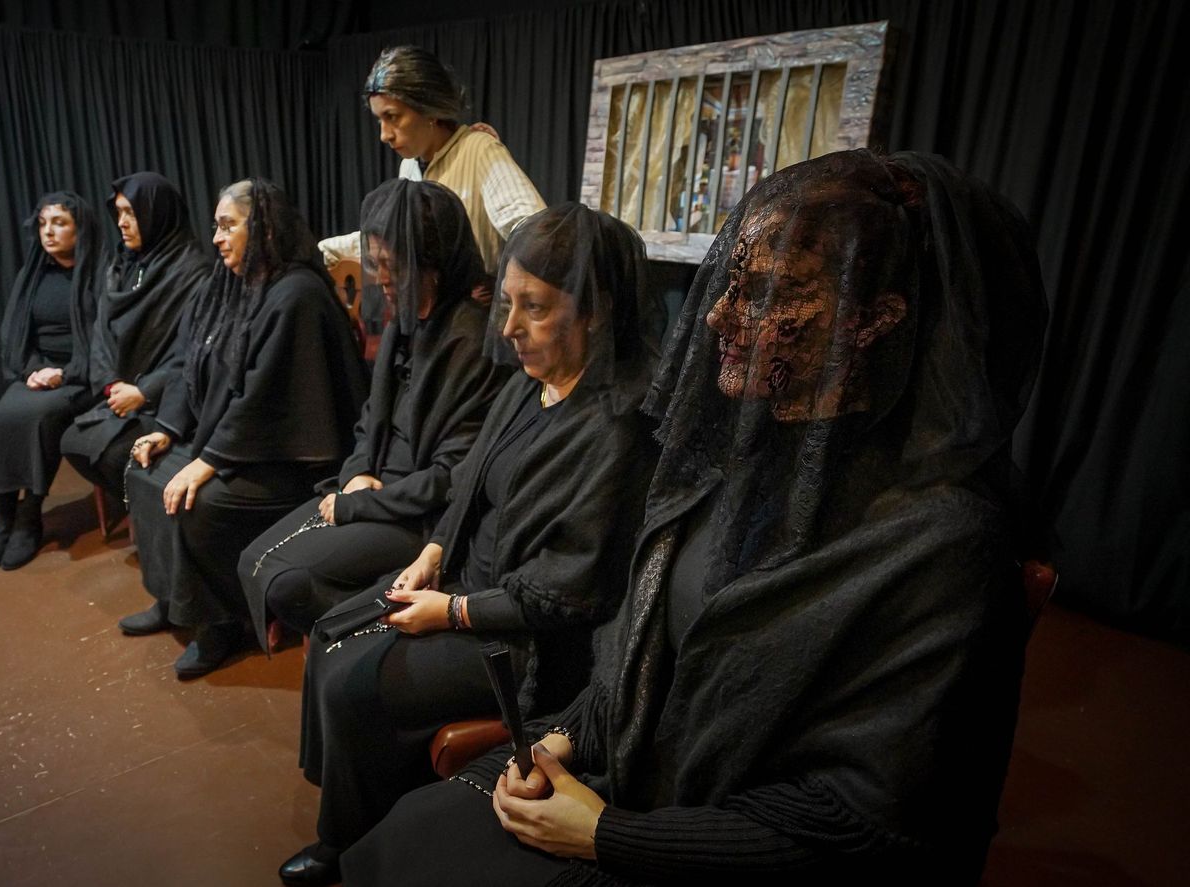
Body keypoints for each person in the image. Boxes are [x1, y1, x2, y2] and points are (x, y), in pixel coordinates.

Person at [346, 150, 1049, 885]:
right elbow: (640, 661)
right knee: (404, 837)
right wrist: (562, 738)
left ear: (874, 319)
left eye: (766, 294)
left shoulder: (942, 546)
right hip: (622, 785)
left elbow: (865, 823)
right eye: (731, 283)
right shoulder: (736, 462)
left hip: (705, 847)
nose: (718, 313)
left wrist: (609, 835)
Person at [282, 203, 662, 886]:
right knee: (331, 633)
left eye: (535, 309)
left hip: (527, 640)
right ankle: (352, 812)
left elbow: (569, 591)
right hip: (461, 580)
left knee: (350, 681)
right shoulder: (531, 383)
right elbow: (469, 481)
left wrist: (451, 612)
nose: (510, 327)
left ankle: (348, 843)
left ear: (596, 312)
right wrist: (432, 553)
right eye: (508, 303)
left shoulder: (617, 429)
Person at [237, 179, 510, 651]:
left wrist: (359, 504)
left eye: (392, 264)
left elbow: (452, 478)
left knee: (283, 581)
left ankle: (351, 635)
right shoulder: (405, 322)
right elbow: (369, 422)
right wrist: (358, 471)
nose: (379, 276)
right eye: (375, 262)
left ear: (433, 264)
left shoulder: (471, 343)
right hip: (376, 492)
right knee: (253, 559)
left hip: (419, 519)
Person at [121, 178, 369, 678]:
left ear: (264, 229)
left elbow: (265, 399)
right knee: (144, 470)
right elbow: (193, 362)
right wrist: (170, 428)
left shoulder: (296, 293)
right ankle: (174, 600)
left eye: (228, 225)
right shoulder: (233, 285)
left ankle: (223, 625)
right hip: (240, 443)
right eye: (216, 225)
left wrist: (208, 461)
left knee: (199, 504)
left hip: (289, 458)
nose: (216, 237)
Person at [319, 45, 545, 333]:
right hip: (431, 322)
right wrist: (318, 251)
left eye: (393, 117)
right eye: (380, 120)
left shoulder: (478, 150)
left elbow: (533, 229)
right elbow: (394, 241)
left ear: (429, 109)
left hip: (476, 329)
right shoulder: (410, 168)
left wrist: (502, 284)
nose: (384, 135)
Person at [0, 192, 105, 572]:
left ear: (80, 228)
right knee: (3, 415)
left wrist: (65, 373)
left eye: (59, 223)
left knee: (40, 417)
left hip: (81, 377)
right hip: (38, 373)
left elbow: (104, 343)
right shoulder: (34, 273)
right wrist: (32, 370)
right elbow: (16, 332)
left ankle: (30, 514)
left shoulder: (100, 274)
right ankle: (3, 519)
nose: (49, 232)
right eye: (44, 224)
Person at [60, 172, 208, 507]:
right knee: (72, 439)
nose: (122, 223)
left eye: (132, 213)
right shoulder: (124, 264)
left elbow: (192, 352)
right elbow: (101, 332)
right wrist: (112, 386)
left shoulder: (191, 272)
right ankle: (137, 506)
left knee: (115, 455)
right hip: (119, 393)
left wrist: (143, 392)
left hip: (166, 401)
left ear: (157, 214)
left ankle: (149, 514)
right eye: (120, 213)